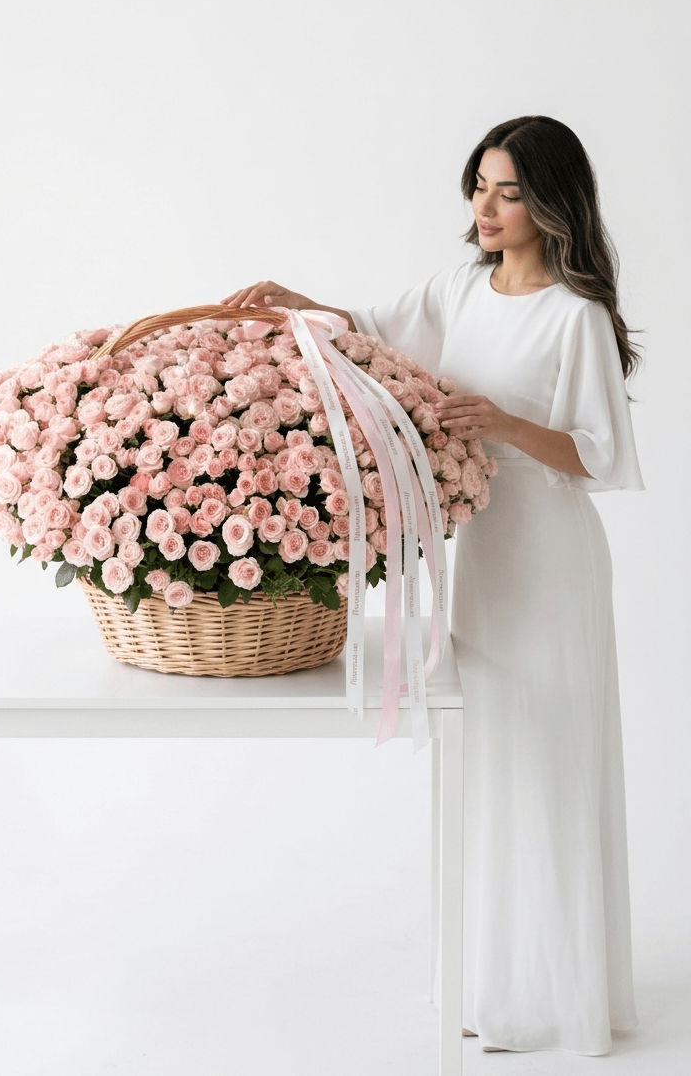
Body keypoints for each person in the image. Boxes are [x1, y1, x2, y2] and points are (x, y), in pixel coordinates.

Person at [221, 114, 644, 1056]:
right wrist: (297, 301)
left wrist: (502, 421)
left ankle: (556, 995)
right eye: (479, 185)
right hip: (481, 555)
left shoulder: (575, 316)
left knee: (549, 759)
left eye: (507, 190)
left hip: (551, 558)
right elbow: (369, 333)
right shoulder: (459, 286)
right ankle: (495, 982)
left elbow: (605, 458)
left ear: (552, 201)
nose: (485, 207)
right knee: (486, 758)